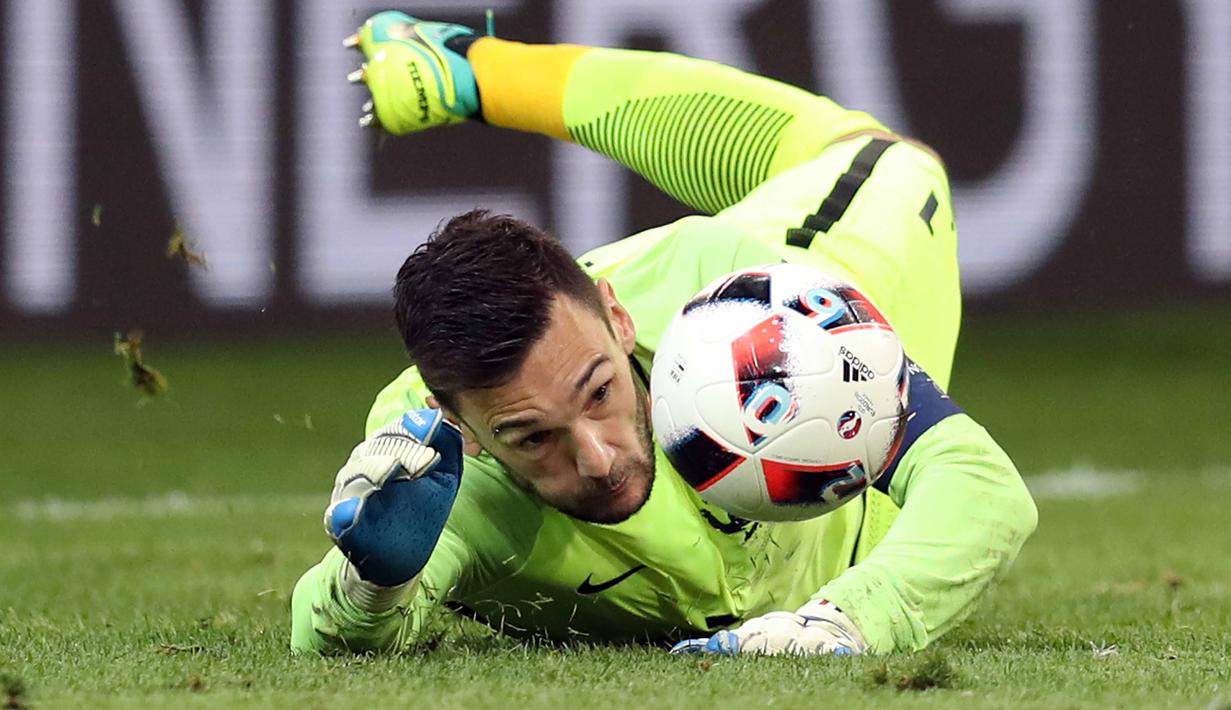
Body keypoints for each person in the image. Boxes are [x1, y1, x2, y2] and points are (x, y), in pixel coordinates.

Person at [290, 10, 1037, 656]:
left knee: (888, 162)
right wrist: (374, 581)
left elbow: (981, 491)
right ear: (465, 424)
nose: (596, 456)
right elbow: (334, 633)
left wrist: (846, 622)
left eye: (599, 392)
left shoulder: (757, 320)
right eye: (531, 438)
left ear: (617, 319)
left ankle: (473, 70)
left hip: (824, 275)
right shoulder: (434, 472)